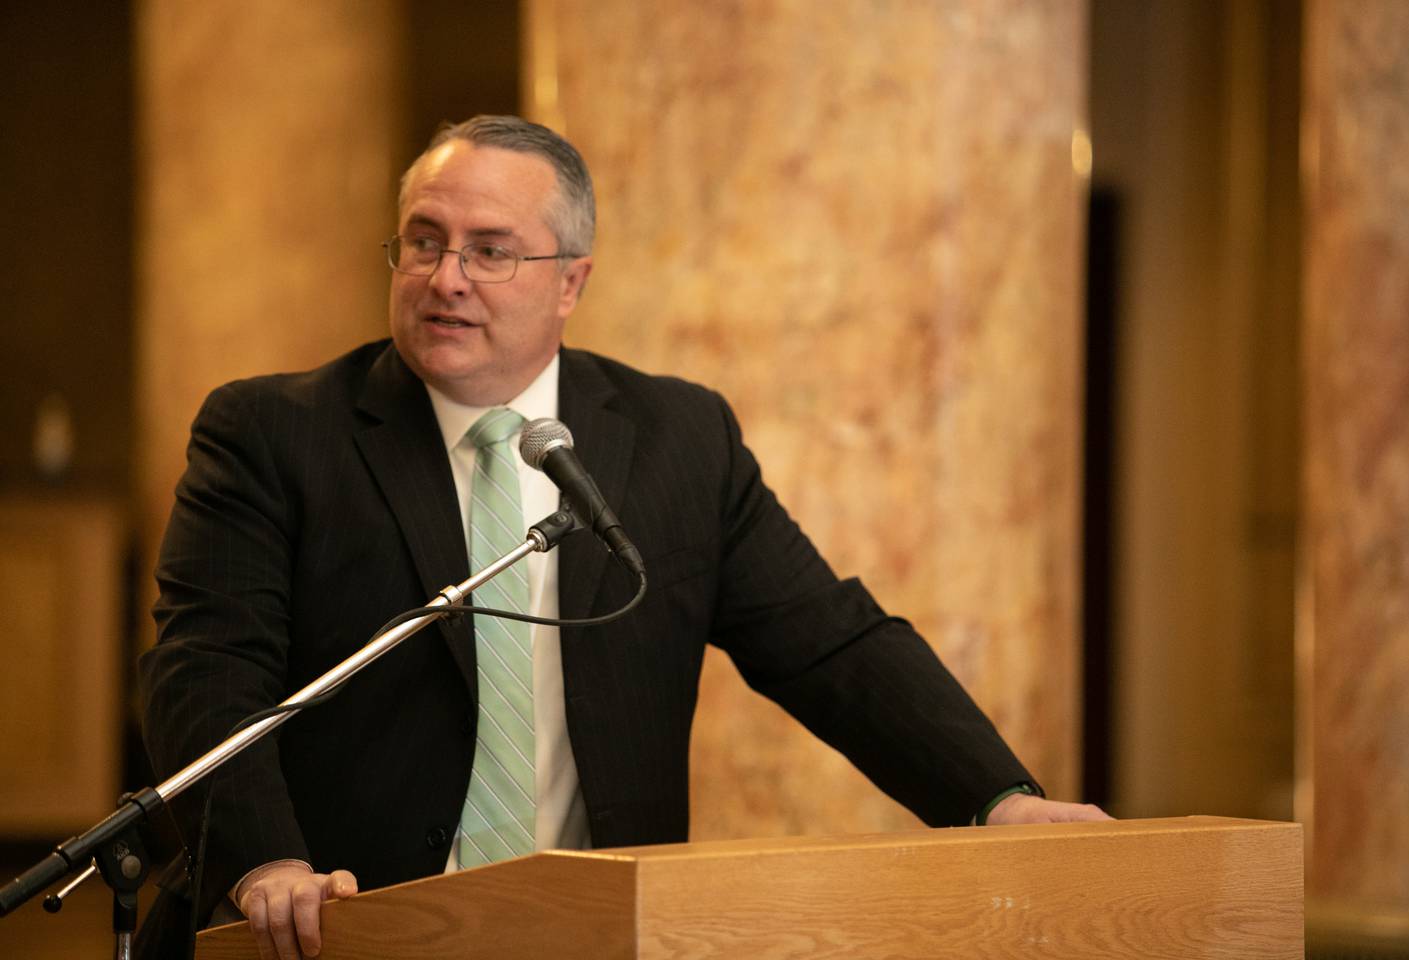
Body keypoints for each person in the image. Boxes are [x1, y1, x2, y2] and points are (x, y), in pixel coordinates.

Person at [138, 115, 1107, 960]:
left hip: (589, 930)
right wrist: (265, 861)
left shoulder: (675, 438)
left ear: (571, 282)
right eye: (423, 242)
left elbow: (828, 643)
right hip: (342, 927)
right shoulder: (277, 434)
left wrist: (996, 800)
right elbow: (209, 666)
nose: (447, 278)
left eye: (491, 249)